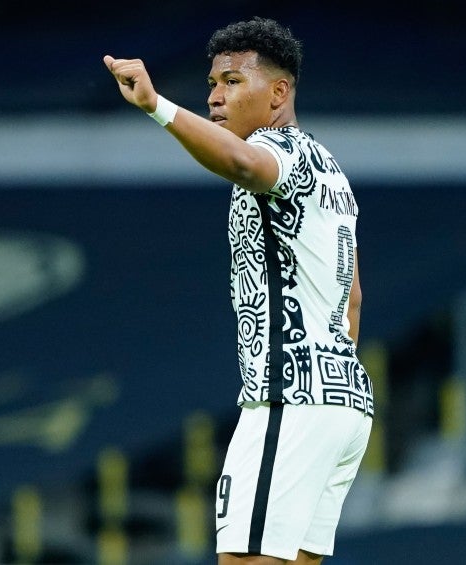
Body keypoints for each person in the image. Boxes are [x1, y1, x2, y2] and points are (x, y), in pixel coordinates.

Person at [104, 16, 374, 565]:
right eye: (211, 84)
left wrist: (158, 106)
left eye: (232, 82)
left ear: (279, 92)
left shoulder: (281, 153)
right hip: (342, 403)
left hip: (289, 399)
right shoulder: (331, 171)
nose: (215, 96)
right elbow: (353, 299)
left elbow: (241, 162)